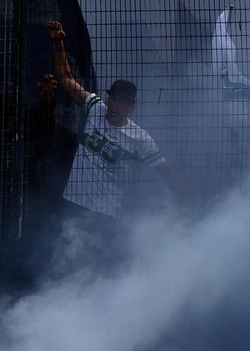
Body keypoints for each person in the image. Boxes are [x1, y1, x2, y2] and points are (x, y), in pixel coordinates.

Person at [47, 21, 186, 222]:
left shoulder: (141, 138)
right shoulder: (96, 108)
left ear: (132, 108)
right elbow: (65, 78)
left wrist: (185, 206)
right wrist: (58, 42)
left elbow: (166, 172)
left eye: (122, 102)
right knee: (64, 241)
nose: (115, 106)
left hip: (105, 213)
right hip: (73, 202)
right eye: (113, 99)